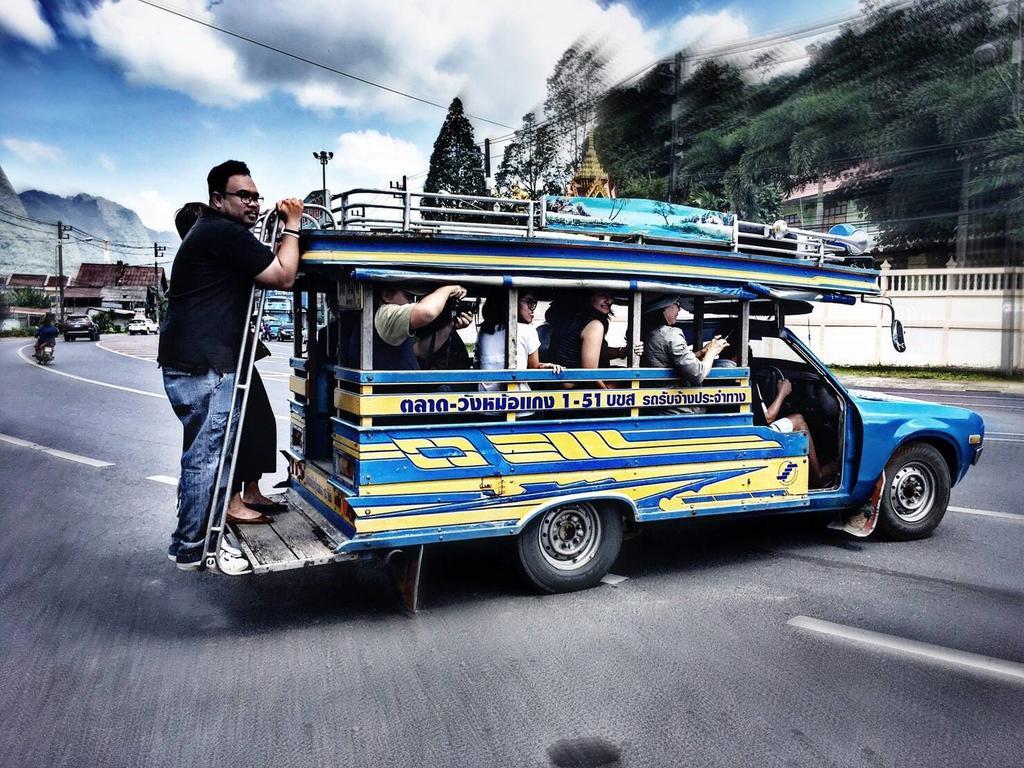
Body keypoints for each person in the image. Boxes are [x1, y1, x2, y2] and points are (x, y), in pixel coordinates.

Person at [158, 160, 303, 573]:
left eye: (256, 196)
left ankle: (203, 540)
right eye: (244, 195)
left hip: (195, 362)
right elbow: (283, 275)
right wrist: (292, 224)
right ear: (217, 199)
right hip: (207, 365)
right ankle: (194, 546)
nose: (253, 203)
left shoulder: (215, 233)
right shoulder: (221, 231)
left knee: (208, 455)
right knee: (209, 459)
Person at [174, 201, 285, 522]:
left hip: (231, 351)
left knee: (259, 419)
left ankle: (250, 490)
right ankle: (229, 501)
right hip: (210, 356)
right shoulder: (208, 263)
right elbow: (270, 272)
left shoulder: (213, 258)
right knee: (225, 428)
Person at [476, 291, 564, 414]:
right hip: (519, 406)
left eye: (534, 303)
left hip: (486, 407)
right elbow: (534, 368)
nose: (532, 308)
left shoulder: (484, 331)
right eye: (529, 302)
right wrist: (545, 366)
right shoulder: (527, 330)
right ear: (510, 302)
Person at [640, 295, 728, 413]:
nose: (679, 309)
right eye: (677, 304)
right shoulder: (671, 334)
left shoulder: (648, 332)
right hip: (680, 408)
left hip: (655, 404)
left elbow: (667, 359)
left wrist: (700, 353)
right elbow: (698, 373)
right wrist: (712, 352)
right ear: (664, 307)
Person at [549, 290, 643, 389]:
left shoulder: (572, 319)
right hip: (573, 386)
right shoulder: (595, 326)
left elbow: (592, 351)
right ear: (588, 297)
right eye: (603, 295)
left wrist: (622, 351)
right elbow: (590, 374)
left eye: (611, 296)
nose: (609, 301)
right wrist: (609, 396)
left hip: (559, 381)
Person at [373, 283, 470, 370]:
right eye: (408, 296)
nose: (412, 302)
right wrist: (448, 288)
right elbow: (427, 312)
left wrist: (451, 326)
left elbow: (419, 350)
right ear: (387, 295)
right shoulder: (386, 313)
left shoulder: (398, 322)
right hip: (394, 388)